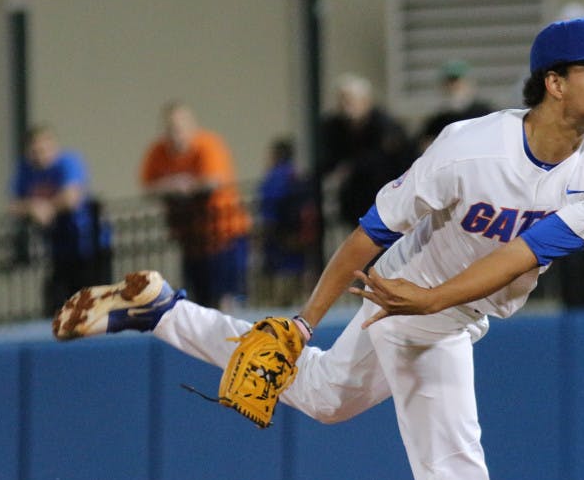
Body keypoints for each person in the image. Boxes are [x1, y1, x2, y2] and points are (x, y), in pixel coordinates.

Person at [53, 16, 584, 480]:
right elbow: (367, 234)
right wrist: (305, 321)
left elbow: (521, 256)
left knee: (328, 398)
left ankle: (162, 312)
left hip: (429, 304)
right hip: (410, 310)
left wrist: (426, 300)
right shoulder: (469, 148)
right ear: (554, 83)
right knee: (456, 479)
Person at [140, 101, 252, 311]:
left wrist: (183, 184)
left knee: (226, 300)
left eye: (180, 128)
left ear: (192, 127)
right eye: (171, 128)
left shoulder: (208, 145)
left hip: (224, 236)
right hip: (191, 241)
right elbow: (149, 186)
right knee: (199, 302)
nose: (176, 134)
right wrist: (174, 185)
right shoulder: (158, 152)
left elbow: (212, 181)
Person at [9, 124, 111, 317]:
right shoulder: (25, 170)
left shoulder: (68, 163)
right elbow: (14, 205)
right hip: (58, 248)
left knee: (93, 305)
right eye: (35, 151)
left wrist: (47, 208)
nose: (40, 155)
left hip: (89, 246)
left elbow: (72, 197)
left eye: (44, 149)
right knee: (59, 305)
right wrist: (33, 207)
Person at [319, 74, 414, 231]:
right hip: (353, 201)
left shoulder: (386, 126)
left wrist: (352, 167)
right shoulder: (334, 128)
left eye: (349, 100)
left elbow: (392, 160)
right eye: (341, 100)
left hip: (383, 197)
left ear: (365, 101)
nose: (345, 106)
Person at [257, 138, 319, 307]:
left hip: (278, 236)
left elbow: (268, 208)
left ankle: (281, 310)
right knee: (298, 274)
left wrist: (264, 234)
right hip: (299, 236)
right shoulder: (298, 174)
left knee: (277, 278)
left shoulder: (273, 178)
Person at [417, 60, 494, 154]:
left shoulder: (485, 114)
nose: (453, 86)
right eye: (449, 83)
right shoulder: (437, 121)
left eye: (457, 81)